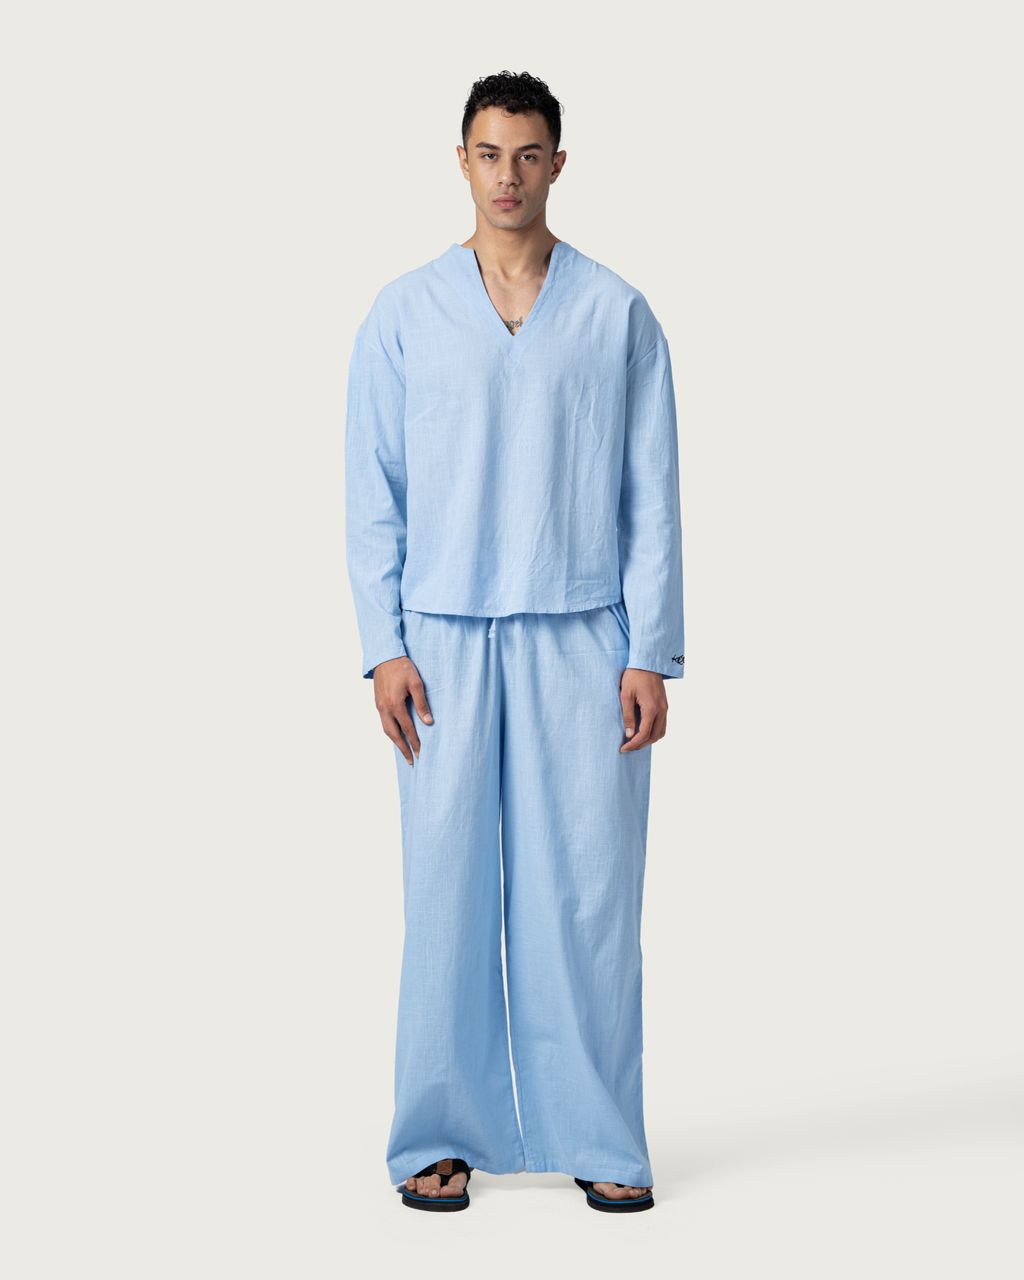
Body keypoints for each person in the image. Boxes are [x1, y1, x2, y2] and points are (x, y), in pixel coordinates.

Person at [344, 71, 685, 1214]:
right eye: (489, 153)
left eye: (529, 154)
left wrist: (649, 651)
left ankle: (599, 1129)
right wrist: (383, 643)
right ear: (462, 161)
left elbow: (650, 493)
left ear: (557, 164)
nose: (508, 175)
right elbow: (372, 492)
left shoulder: (616, 313)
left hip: (582, 635)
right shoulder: (403, 312)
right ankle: (435, 1130)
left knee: (588, 895)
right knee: (445, 891)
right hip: (440, 639)